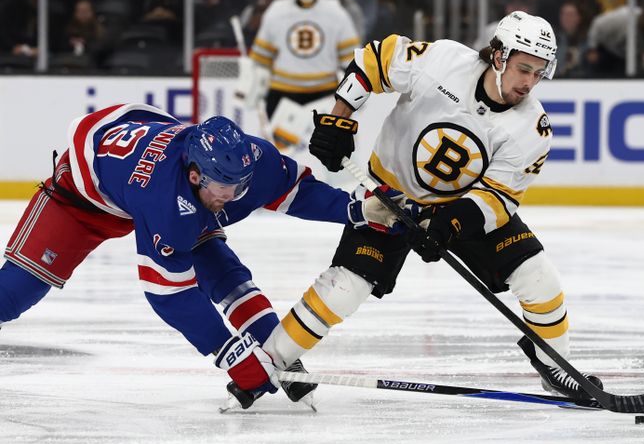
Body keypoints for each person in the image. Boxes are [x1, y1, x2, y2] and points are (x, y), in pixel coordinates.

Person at [255, 11, 604, 401]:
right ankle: (269, 361)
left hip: (458, 208)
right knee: (345, 286)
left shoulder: (532, 127)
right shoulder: (442, 61)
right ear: (499, 56)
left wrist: (449, 226)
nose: (530, 82)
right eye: (524, 68)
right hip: (390, 198)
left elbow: (498, 197)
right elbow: (377, 59)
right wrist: (340, 118)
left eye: (539, 73)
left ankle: (557, 367)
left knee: (538, 276)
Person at [0, 103, 403, 408]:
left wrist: (356, 209)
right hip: (82, 196)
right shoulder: (167, 200)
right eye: (223, 189)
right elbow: (168, 294)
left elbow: (297, 192)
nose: (233, 198)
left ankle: (274, 349)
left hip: (141, 160)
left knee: (225, 272)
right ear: (194, 176)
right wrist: (232, 357)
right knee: (14, 295)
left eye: (241, 187)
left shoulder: (246, 164)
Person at [235, 0, 361, 159]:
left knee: (330, 152)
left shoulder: (335, 11)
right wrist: (253, 85)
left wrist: (354, 90)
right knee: (280, 154)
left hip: (325, 94)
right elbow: (261, 59)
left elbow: (350, 58)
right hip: (283, 94)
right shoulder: (277, 10)